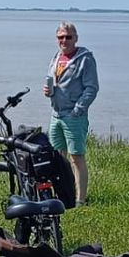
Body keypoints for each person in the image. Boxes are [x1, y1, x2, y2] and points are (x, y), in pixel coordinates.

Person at [42, 21, 98, 205]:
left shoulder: (85, 59)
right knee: (57, 157)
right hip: (56, 114)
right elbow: (53, 82)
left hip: (73, 117)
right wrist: (48, 91)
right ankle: (62, 194)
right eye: (60, 37)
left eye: (68, 37)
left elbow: (91, 88)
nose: (64, 40)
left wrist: (77, 110)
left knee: (76, 157)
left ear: (76, 38)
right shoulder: (56, 57)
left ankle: (80, 199)